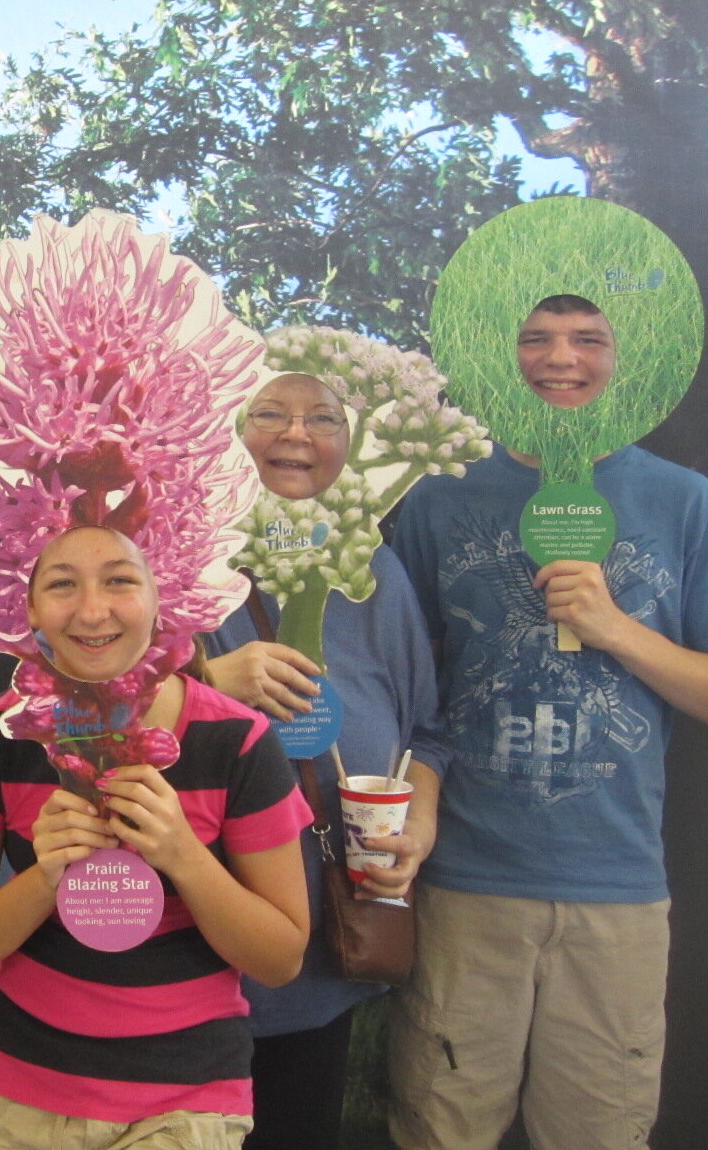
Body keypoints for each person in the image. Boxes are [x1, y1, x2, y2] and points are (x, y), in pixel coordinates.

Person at [388, 294, 708, 1149]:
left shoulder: (684, 503)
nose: (560, 358)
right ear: (504, 357)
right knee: (440, 1127)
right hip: (465, 884)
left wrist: (617, 629)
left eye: (588, 338)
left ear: (628, 358)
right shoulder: (437, 504)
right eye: (535, 337)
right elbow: (409, 686)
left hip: (617, 889)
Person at [0, 525, 311, 1149]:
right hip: (17, 1090)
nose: (92, 609)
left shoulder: (235, 741)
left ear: (164, 593)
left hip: (185, 1098)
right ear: (27, 605)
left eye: (120, 579)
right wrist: (44, 877)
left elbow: (280, 957)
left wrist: (184, 856)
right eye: (61, 584)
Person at [206, 373, 441, 1150]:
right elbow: (78, 704)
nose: (295, 435)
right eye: (269, 413)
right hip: (192, 953)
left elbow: (426, 732)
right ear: (227, 431)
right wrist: (208, 681)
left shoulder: (378, 573)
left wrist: (420, 825)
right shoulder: (179, 566)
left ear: (353, 444)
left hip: (324, 942)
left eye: (322, 418)